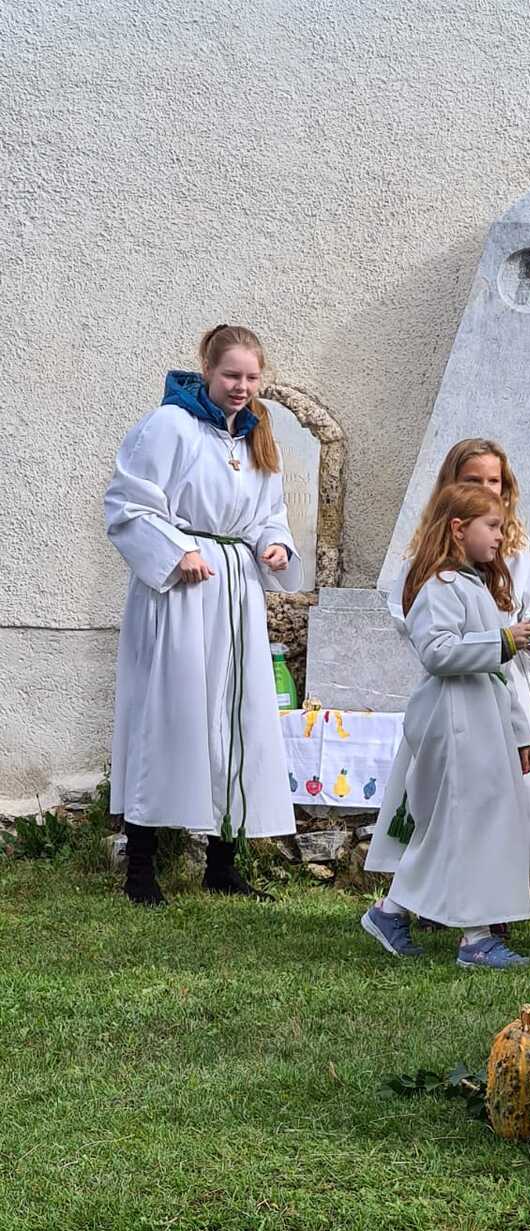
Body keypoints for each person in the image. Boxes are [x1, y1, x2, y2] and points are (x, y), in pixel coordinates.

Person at [104, 324, 302, 905]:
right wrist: (176, 551)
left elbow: (269, 512)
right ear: (208, 370)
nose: (242, 387)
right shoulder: (170, 425)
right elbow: (128, 504)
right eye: (231, 375)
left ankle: (223, 863)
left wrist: (274, 544)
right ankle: (141, 869)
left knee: (235, 717)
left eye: (251, 377)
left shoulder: (258, 434)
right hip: (182, 594)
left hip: (236, 593)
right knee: (171, 713)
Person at [363, 482, 530, 969]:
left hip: (484, 721)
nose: (500, 537)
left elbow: (499, 676)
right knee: (466, 823)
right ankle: (475, 938)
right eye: (493, 526)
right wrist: (503, 640)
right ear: (459, 529)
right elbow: (437, 652)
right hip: (454, 720)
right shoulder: (439, 587)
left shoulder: (473, 585)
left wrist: (521, 733)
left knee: (465, 824)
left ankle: (390, 912)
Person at [385, 438, 530, 882]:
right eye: (473, 480)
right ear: (452, 485)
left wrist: (527, 633)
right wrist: (476, 639)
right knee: (449, 785)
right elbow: (409, 611)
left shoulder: (517, 548)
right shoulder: (431, 558)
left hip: (504, 678)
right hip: (454, 682)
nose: (486, 488)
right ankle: (437, 876)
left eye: (493, 481)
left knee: (506, 782)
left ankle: (506, 874)